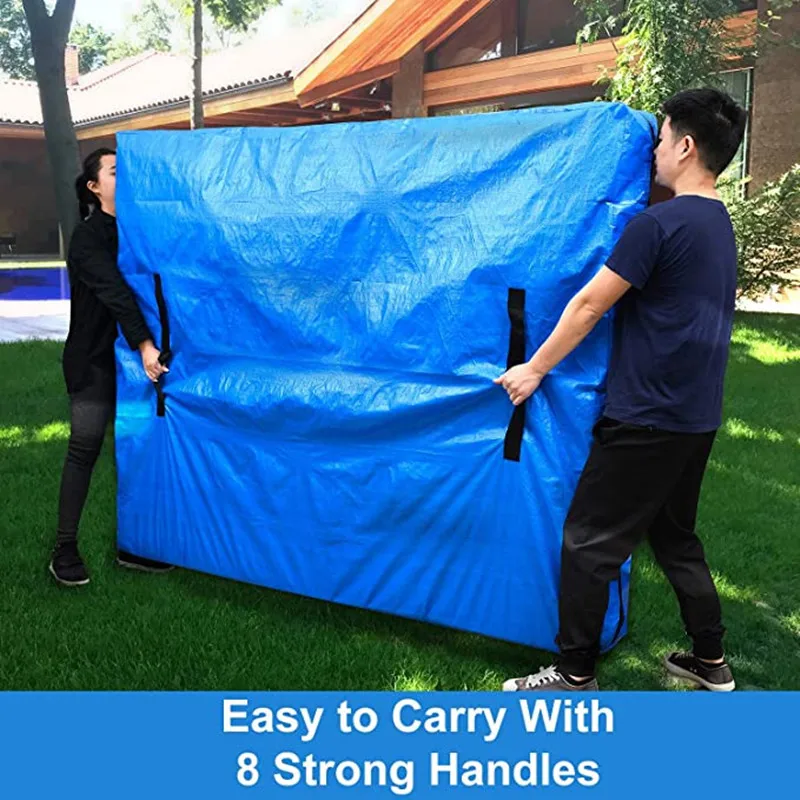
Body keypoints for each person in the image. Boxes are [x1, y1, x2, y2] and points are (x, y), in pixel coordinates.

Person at [495, 88, 747, 692]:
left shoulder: (656, 225)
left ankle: (574, 674)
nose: (654, 152)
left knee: (588, 543)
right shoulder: (718, 224)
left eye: (661, 139)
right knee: (675, 538)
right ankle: (710, 661)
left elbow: (589, 305)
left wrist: (535, 368)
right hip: (695, 416)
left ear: (686, 147)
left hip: (647, 417)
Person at [49, 147, 173, 586]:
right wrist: (145, 344)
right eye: (116, 171)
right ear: (94, 186)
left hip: (138, 362)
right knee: (85, 447)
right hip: (95, 359)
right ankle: (64, 549)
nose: (125, 177)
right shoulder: (87, 238)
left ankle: (135, 545)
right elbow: (116, 291)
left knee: (138, 448)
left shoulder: (141, 232)